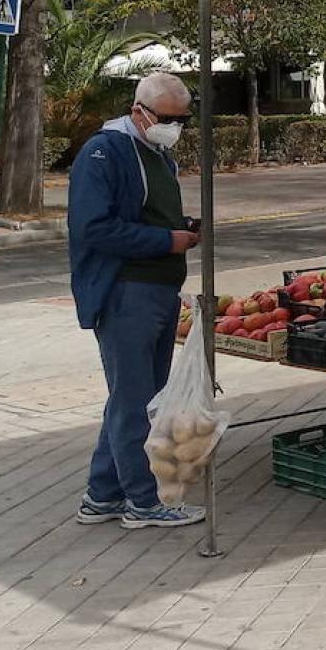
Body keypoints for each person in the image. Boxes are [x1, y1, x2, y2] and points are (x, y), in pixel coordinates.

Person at [66, 71, 204, 529]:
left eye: (181, 119)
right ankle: (143, 502)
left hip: (158, 288)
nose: (175, 126)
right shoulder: (103, 153)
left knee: (132, 397)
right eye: (168, 118)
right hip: (126, 291)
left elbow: (146, 213)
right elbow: (94, 228)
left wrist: (180, 230)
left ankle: (103, 495)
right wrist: (165, 241)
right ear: (139, 111)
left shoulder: (157, 152)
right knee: (133, 403)